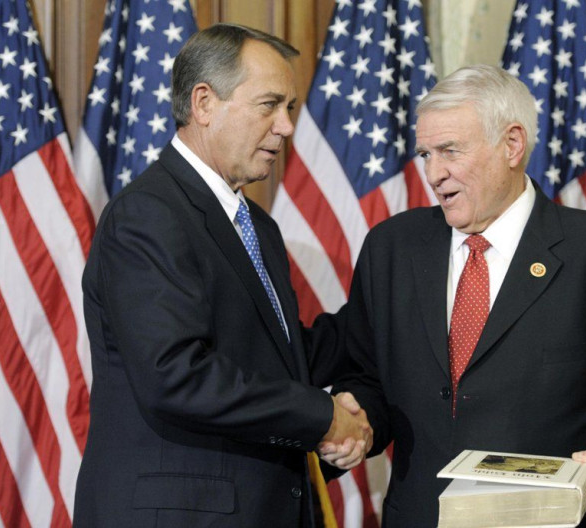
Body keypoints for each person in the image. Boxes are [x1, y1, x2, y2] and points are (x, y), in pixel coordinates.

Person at [320, 65, 586, 527]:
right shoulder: (392, 248)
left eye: (450, 151)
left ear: (512, 145)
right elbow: (369, 377)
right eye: (425, 154)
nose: (434, 174)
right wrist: (359, 418)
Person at [74, 24, 370, 528]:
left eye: (291, 108)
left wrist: (385, 309)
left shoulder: (256, 226)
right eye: (269, 105)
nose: (286, 126)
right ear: (204, 103)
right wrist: (321, 417)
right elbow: (177, 375)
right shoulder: (148, 213)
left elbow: (277, 357)